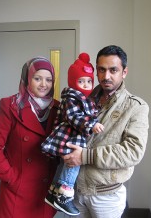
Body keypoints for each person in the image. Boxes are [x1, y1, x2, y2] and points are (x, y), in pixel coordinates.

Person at [62, 45, 149, 218]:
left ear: (124, 72)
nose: (106, 76)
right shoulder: (82, 99)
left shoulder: (136, 106)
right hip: (76, 193)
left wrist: (86, 156)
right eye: (101, 70)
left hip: (107, 197)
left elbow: (133, 152)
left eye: (113, 70)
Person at [0, 57, 60, 218]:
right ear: (27, 79)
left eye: (48, 80)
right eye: (37, 78)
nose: (43, 84)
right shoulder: (11, 107)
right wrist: (10, 177)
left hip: (45, 189)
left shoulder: (57, 108)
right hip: (17, 190)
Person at [41, 53, 104, 216]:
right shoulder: (71, 97)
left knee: (64, 164)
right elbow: (74, 117)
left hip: (72, 136)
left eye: (89, 81)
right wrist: (92, 124)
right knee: (73, 164)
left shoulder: (83, 98)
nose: (85, 84)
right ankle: (64, 196)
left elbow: (88, 112)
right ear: (72, 82)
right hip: (70, 137)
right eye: (81, 81)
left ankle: (53, 192)